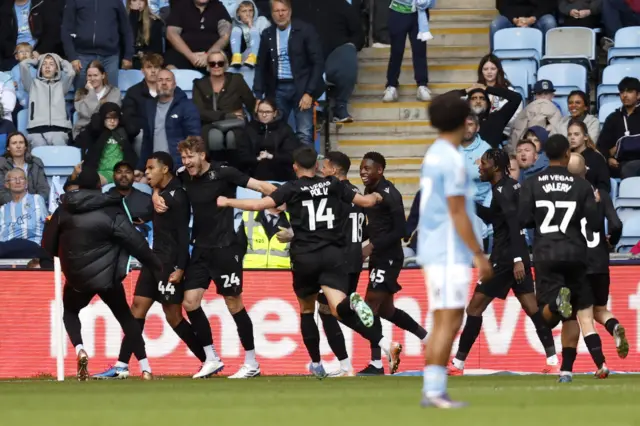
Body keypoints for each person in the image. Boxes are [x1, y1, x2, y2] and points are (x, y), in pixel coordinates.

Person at [217, 145, 403, 378]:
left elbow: (257, 205)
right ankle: (386, 343)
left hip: (305, 257)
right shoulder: (333, 184)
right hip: (333, 256)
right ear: (316, 166)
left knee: (307, 311)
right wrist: (376, 196)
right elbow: (364, 203)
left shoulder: (290, 189)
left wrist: (227, 202)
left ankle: (316, 364)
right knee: (337, 308)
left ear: (295, 167)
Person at [153, 136, 276, 379]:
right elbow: (161, 181)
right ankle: (211, 358)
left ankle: (251, 362)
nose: (186, 162)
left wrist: (281, 200)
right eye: (184, 157)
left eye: (190, 157)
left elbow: (263, 187)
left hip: (226, 248)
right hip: (199, 249)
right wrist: (155, 193)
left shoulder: (224, 172)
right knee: (190, 303)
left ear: (202, 155)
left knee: (233, 303)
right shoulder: (182, 174)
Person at [94, 152, 209, 379]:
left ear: (164, 169)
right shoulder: (161, 192)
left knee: (174, 316)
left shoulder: (178, 195)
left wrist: (181, 267)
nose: (145, 172)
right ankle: (121, 366)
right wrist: (155, 192)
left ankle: (209, 360)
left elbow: (183, 234)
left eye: (150, 168)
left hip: (169, 263)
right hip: (152, 260)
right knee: (137, 308)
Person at [41, 167, 162, 380]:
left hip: (77, 279)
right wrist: (156, 266)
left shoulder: (63, 210)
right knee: (126, 318)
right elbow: (136, 243)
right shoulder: (111, 209)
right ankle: (145, 368)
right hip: (108, 279)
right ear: (100, 186)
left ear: (78, 185)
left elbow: (48, 246)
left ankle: (80, 349)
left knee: (70, 312)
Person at [448, 149, 558, 376]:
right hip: (517, 257)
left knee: (474, 308)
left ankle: (458, 364)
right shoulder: (508, 186)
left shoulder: (502, 191)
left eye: (484, 163)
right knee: (533, 309)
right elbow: (496, 218)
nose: (480, 166)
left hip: (505, 259)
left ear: (496, 167)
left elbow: (514, 225)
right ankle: (553, 360)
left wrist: (517, 260)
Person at [417, 92, 493, 408]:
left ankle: (433, 388)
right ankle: (434, 391)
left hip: (434, 246)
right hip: (449, 250)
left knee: (444, 319)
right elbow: (458, 211)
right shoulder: (451, 159)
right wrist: (479, 254)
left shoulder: (434, 154)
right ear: (463, 122)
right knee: (448, 320)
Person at [518, 134, 609, 380]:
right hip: (575, 254)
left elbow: (523, 220)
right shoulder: (581, 185)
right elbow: (594, 224)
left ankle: (557, 308)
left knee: (549, 319)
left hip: (546, 253)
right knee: (577, 310)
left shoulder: (532, 182)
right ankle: (569, 369)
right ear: (568, 155)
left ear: (545, 154)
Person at [557, 153, 628, 383]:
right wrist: (611, 241)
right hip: (600, 261)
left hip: (580, 263)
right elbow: (616, 224)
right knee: (600, 309)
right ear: (585, 170)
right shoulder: (602, 195)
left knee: (584, 318)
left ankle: (601, 364)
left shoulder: (565, 198)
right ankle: (614, 325)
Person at [358, 151, 428, 375]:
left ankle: (377, 362)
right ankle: (428, 338)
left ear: (380, 170)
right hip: (379, 256)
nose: (363, 172)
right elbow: (376, 225)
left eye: (368, 168)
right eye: (361, 168)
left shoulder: (390, 194)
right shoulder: (370, 191)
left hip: (388, 257)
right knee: (386, 310)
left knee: (370, 308)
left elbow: (402, 229)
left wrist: (371, 246)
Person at [315, 151, 366, 376]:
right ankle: (348, 365)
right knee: (330, 310)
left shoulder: (334, 193)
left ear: (335, 170)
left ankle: (349, 364)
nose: (322, 170)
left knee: (332, 312)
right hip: (355, 258)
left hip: (337, 260)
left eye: (325, 167)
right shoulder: (357, 192)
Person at [253, 0, 325, 146]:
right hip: (277, 88)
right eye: (276, 11)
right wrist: (258, 95)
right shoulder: (267, 34)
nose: (280, 14)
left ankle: (305, 167)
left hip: (302, 87)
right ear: (272, 14)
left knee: (304, 132)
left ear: (290, 11)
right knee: (275, 130)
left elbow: (317, 63)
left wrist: (309, 93)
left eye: (283, 10)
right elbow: (260, 66)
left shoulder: (305, 30)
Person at [192, 51, 256, 158]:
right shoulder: (199, 84)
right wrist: (226, 115)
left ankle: (239, 170)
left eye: (220, 63)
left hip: (235, 123)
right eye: (212, 63)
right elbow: (199, 112)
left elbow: (251, 104)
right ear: (208, 66)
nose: (216, 66)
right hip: (210, 124)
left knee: (235, 137)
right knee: (213, 137)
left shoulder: (236, 80)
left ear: (226, 64)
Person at [138, 69, 201, 170]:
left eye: (168, 80)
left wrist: (187, 165)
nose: (164, 83)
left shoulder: (187, 106)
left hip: (179, 165)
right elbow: (146, 141)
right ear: (155, 84)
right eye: (160, 80)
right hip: (155, 166)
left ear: (174, 84)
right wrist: (140, 168)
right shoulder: (149, 106)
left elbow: (194, 139)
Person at [61, 0, 134, 88]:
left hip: (110, 57)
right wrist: (72, 57)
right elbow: (66, 29)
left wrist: (128, 56)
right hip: (82, 56)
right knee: (82, 97)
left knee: (111, 97)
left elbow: (126, 30)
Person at [75, 103, 139, 185]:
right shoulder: (96, 133)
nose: (112, 121)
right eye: (108, 118)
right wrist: (95, 119)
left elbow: (134, 130)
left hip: (123, 173)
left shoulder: (123, 132)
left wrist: (123, 117)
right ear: (102, 119)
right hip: (102, 172)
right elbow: (79, 141)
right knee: (91, 181)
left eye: (115, 118)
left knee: (144, 182)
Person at [20, 53, 75, 147]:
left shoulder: (62, 86)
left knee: (59, 147)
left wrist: (61, 61)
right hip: (36, 130)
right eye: (44, 64)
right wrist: (36, 61)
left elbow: (71, 72)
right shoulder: (32, 85)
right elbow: (23, 65)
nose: (47, 67)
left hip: (59, 129)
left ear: (57, 69)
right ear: (40, 68)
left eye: (52, 64)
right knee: (39, 151)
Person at [239, 98, 299, 180]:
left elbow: (291, 156)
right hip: (252, 174)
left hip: (280, 173)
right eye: (261, 112)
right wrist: (257, 159)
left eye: (267, 112)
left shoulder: (285, 129)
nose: (264, 115)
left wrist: (271, 156)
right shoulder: (249, 129)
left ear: (275, 113)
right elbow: (242, 155)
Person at [165, 0, 232, 72]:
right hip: (184, 54)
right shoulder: (180, 6)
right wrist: (191, 56)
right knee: (170, 60)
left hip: (212, 53)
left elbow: (225, 36)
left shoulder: (219, 7)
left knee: (220, 58)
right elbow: (171, 33)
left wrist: (208, 55)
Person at [238, 183, 291, 269]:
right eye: (282, 196)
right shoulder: (249, 217)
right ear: (267, 199)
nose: (285, 200)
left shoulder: (292, 220)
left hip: (282, 275)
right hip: (251, 273)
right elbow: (239, 248)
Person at [0, 0, 64, 70]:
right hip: (15, 56)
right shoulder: (5, 8)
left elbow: (53, 33)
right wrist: (14, 52)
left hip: (39, 54)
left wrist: (39, 51)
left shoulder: (42, 3)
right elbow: (3, 38)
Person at [0, 167, 48, 259]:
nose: (18, 182)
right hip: (7, 250)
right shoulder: (3, 209)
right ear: (7, 184)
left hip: (32, 245)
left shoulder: (36, 199)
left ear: (26, 183)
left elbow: (47, 225)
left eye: (21, 178)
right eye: (14, 179)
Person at [596, 77, 640, 179]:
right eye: (621, 92)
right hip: (619, 164)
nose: (624, 95)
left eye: (629, 91)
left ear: (638, 95)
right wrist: (608, 158)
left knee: (629, 168)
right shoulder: (613, 118)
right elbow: (602, 146)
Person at [73, 61, 123, 140]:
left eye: (95, 75)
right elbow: (86, 115)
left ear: (103, 75)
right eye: (89, 76)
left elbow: (110, 114)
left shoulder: (114, 92)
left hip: (108, 131)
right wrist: (91, 92)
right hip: (85, 130)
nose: (92, 79)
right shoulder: (80, 93)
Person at [0, 131, 49, 206]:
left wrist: (33, 203)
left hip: (34, 206)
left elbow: (44, 189)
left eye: (21, 142)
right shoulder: (2, 164)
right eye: (14, 143)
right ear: (8, 147)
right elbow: (1, 192)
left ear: (25, 146)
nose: (18, 146)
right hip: (9, 206)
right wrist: (19, 204)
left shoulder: (36, 163)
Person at [567, 120, 610, 193]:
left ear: (585, 137)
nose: (572, 138)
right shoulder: (565, 157)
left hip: (589, 198)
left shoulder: (597, 157)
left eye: (576, 134)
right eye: (569, 134)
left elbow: (604, 186)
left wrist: (597, 195)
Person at [230, 0, 271, 68]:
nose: (248, 14)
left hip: (261, 55)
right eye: (244, 11)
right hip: (244, 58)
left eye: (250, 10)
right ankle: (236, 57)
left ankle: (252, 57)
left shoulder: (261, 20)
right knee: (236, 30)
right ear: (238, 13)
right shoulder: (235, 25)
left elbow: (267, 40)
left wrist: (251, 26)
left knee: (254, 31)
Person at [126, 0, 165, 70]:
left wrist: (142, 54)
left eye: (141, 0)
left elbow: (157, 51)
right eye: (134, 0)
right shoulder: (122, 22)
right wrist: (134, 15)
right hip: (127, 62)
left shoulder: (155, 23)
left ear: (146, 3)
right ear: (129, 3)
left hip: (147, 62)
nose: (138, 3)